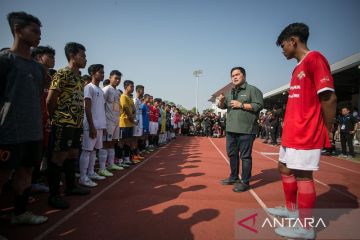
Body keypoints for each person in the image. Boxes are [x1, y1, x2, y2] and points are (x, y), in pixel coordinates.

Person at [267, 23, 337, 239]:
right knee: (284, 168)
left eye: (283, 45)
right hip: (292, 131)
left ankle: (306, 228)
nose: (282, 50)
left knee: (304, 176)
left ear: (293, 41)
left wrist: (328, 128)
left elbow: (329, 97)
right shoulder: (297, 67)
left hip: (306, 131)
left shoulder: (315, 59)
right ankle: (291, 210)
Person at [0, 11, 48, 225]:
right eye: (34, 31)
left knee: (26, 172)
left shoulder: (38, 68)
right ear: (18, 30)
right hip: (8, 131)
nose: (39, 36)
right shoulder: (4, 60)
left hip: (33, 130)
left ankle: (19, 213)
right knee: (1, 177)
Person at [46, 42, 90, 209]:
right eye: (83, 55)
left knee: (72, 154)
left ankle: (71, 186)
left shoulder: (79, 77)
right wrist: (54, 118)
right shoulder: (62, 73)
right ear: (72, 56)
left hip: (77, 124)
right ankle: (54, 195)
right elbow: (50, 100)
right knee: (58, 157)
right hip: (63, 123)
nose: (85, 59)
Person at [217, 66, 263, 192]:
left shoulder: (252, 90)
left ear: (244, 76)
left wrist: (241, 104)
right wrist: (221, 101)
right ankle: (233, 177)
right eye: (232, 76)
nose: (234, 77)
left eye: (237, 74)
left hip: (246, 130)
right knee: (232, 154)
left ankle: (245, 181)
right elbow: (222, 106)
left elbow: (258, 105)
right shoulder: (230, 92)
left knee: (245, 156)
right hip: (231, 129)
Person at [78, 64, 107, 187]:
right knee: (86, 150)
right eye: (100, 72)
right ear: (93, 73)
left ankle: (91, 172)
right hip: (91, 125)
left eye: (103, 72)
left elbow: (101, 109)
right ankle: (83, 177)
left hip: (100, 125)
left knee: (94, 151)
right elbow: (87, 108)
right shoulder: (88, 88)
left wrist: (103, 125)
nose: (103, 74)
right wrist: (91, 126)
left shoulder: (100, 90)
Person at [97, 70, 124, 178]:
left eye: (119, 79)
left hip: (116, 121)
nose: (117, 80)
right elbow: (101, 105)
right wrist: (102, 121)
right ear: (110, 78)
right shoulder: (106, 89)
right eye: (115, 78)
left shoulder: (117, 92)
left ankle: (111, 164)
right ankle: (102, 168)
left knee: (112, 142)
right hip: (108, 122)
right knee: (105, 143)